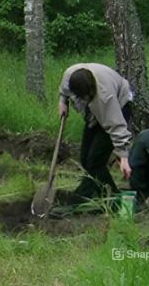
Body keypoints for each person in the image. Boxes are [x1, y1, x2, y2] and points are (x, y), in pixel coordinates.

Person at [55, 63, 133, 212]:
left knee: (95, 163)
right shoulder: (70, 74)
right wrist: (63, 101)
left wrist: (123, 156)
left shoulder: (105, 97)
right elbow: (64, 90)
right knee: (86, 160)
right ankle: (108, 198)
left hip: (119, 106)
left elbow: (117, 126)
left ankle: (78, 203)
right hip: (94, 114)